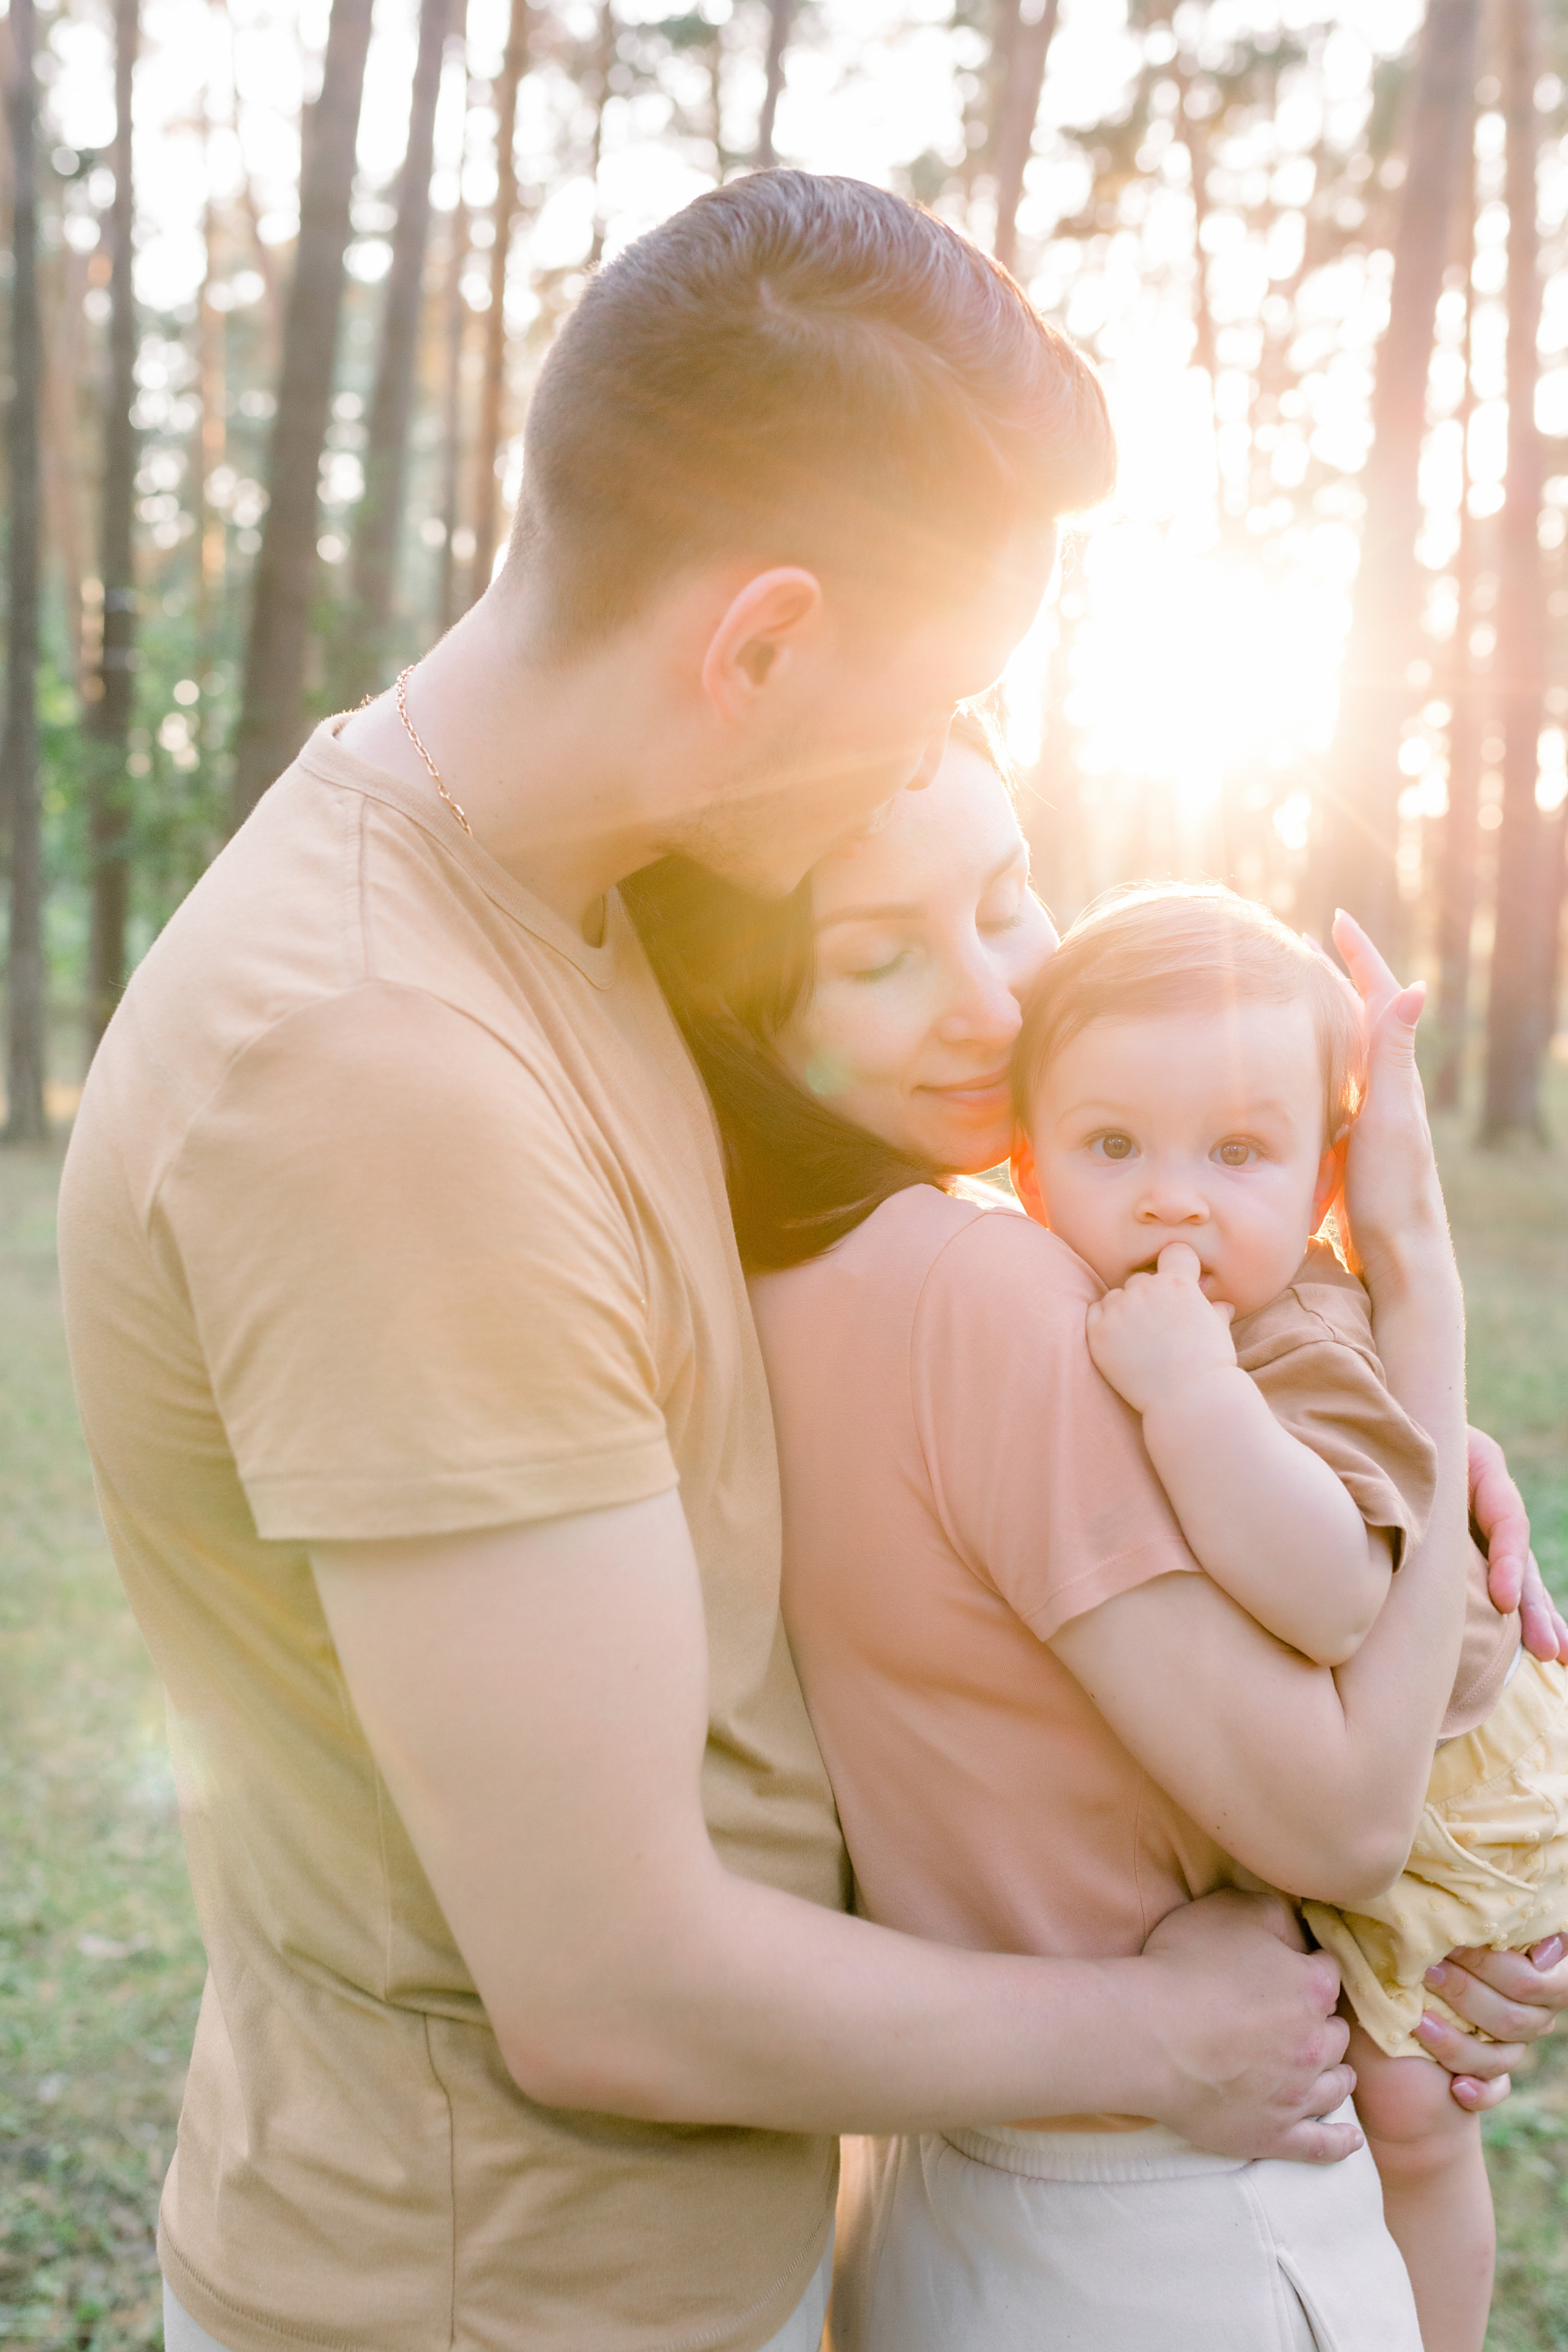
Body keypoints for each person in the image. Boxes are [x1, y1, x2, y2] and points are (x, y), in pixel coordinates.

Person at [55, 172, 1398, 2352]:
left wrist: (1357, 1417)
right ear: (757, 643)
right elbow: (612, 1981)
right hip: (499, 2304)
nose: (936, 767)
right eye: (928, 703)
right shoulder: (388, 1078)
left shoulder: (570, 907)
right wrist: (1168, 2045)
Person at [630, 719, 1568, 2349]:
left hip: (954, 2206)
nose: (997, 1001)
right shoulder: (988, 1294)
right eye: (880, 959)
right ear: (755, 1011)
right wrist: (1417, 1299)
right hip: (1176, 2226)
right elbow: (1347, 1819)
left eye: (1008, 894)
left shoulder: (757, 1277)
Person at [1007, 882, 1568, 2352]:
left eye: (1235, 1154)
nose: (1171, 1196)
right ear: (1025, 1165)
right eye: (1110, 1145)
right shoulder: (1092, 1300)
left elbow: (1328, 1596)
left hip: (1455, 1776)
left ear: (1323, 1186)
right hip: (1365, 1772)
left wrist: (1194, 1398)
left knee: (1414, 2108)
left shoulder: (1297, 1346)